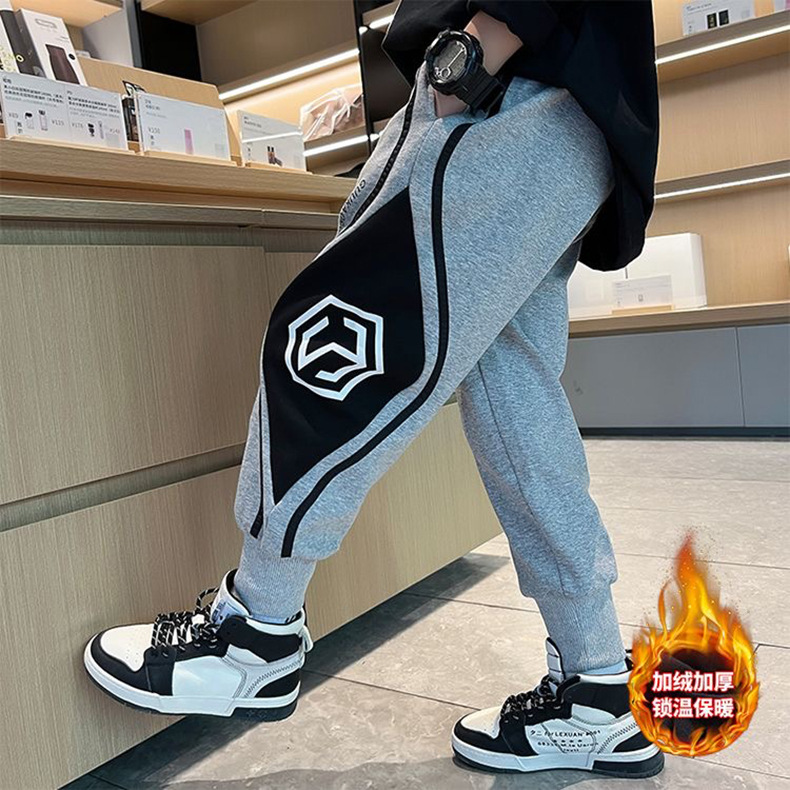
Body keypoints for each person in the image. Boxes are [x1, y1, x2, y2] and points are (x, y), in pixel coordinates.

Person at [84, 0, 661, 778]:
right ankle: (595, 686)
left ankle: (255, 633)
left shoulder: (489, 71)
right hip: (570, 105)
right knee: (514, 403)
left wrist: (469, 59)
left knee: (336, 333)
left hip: (507, 85)